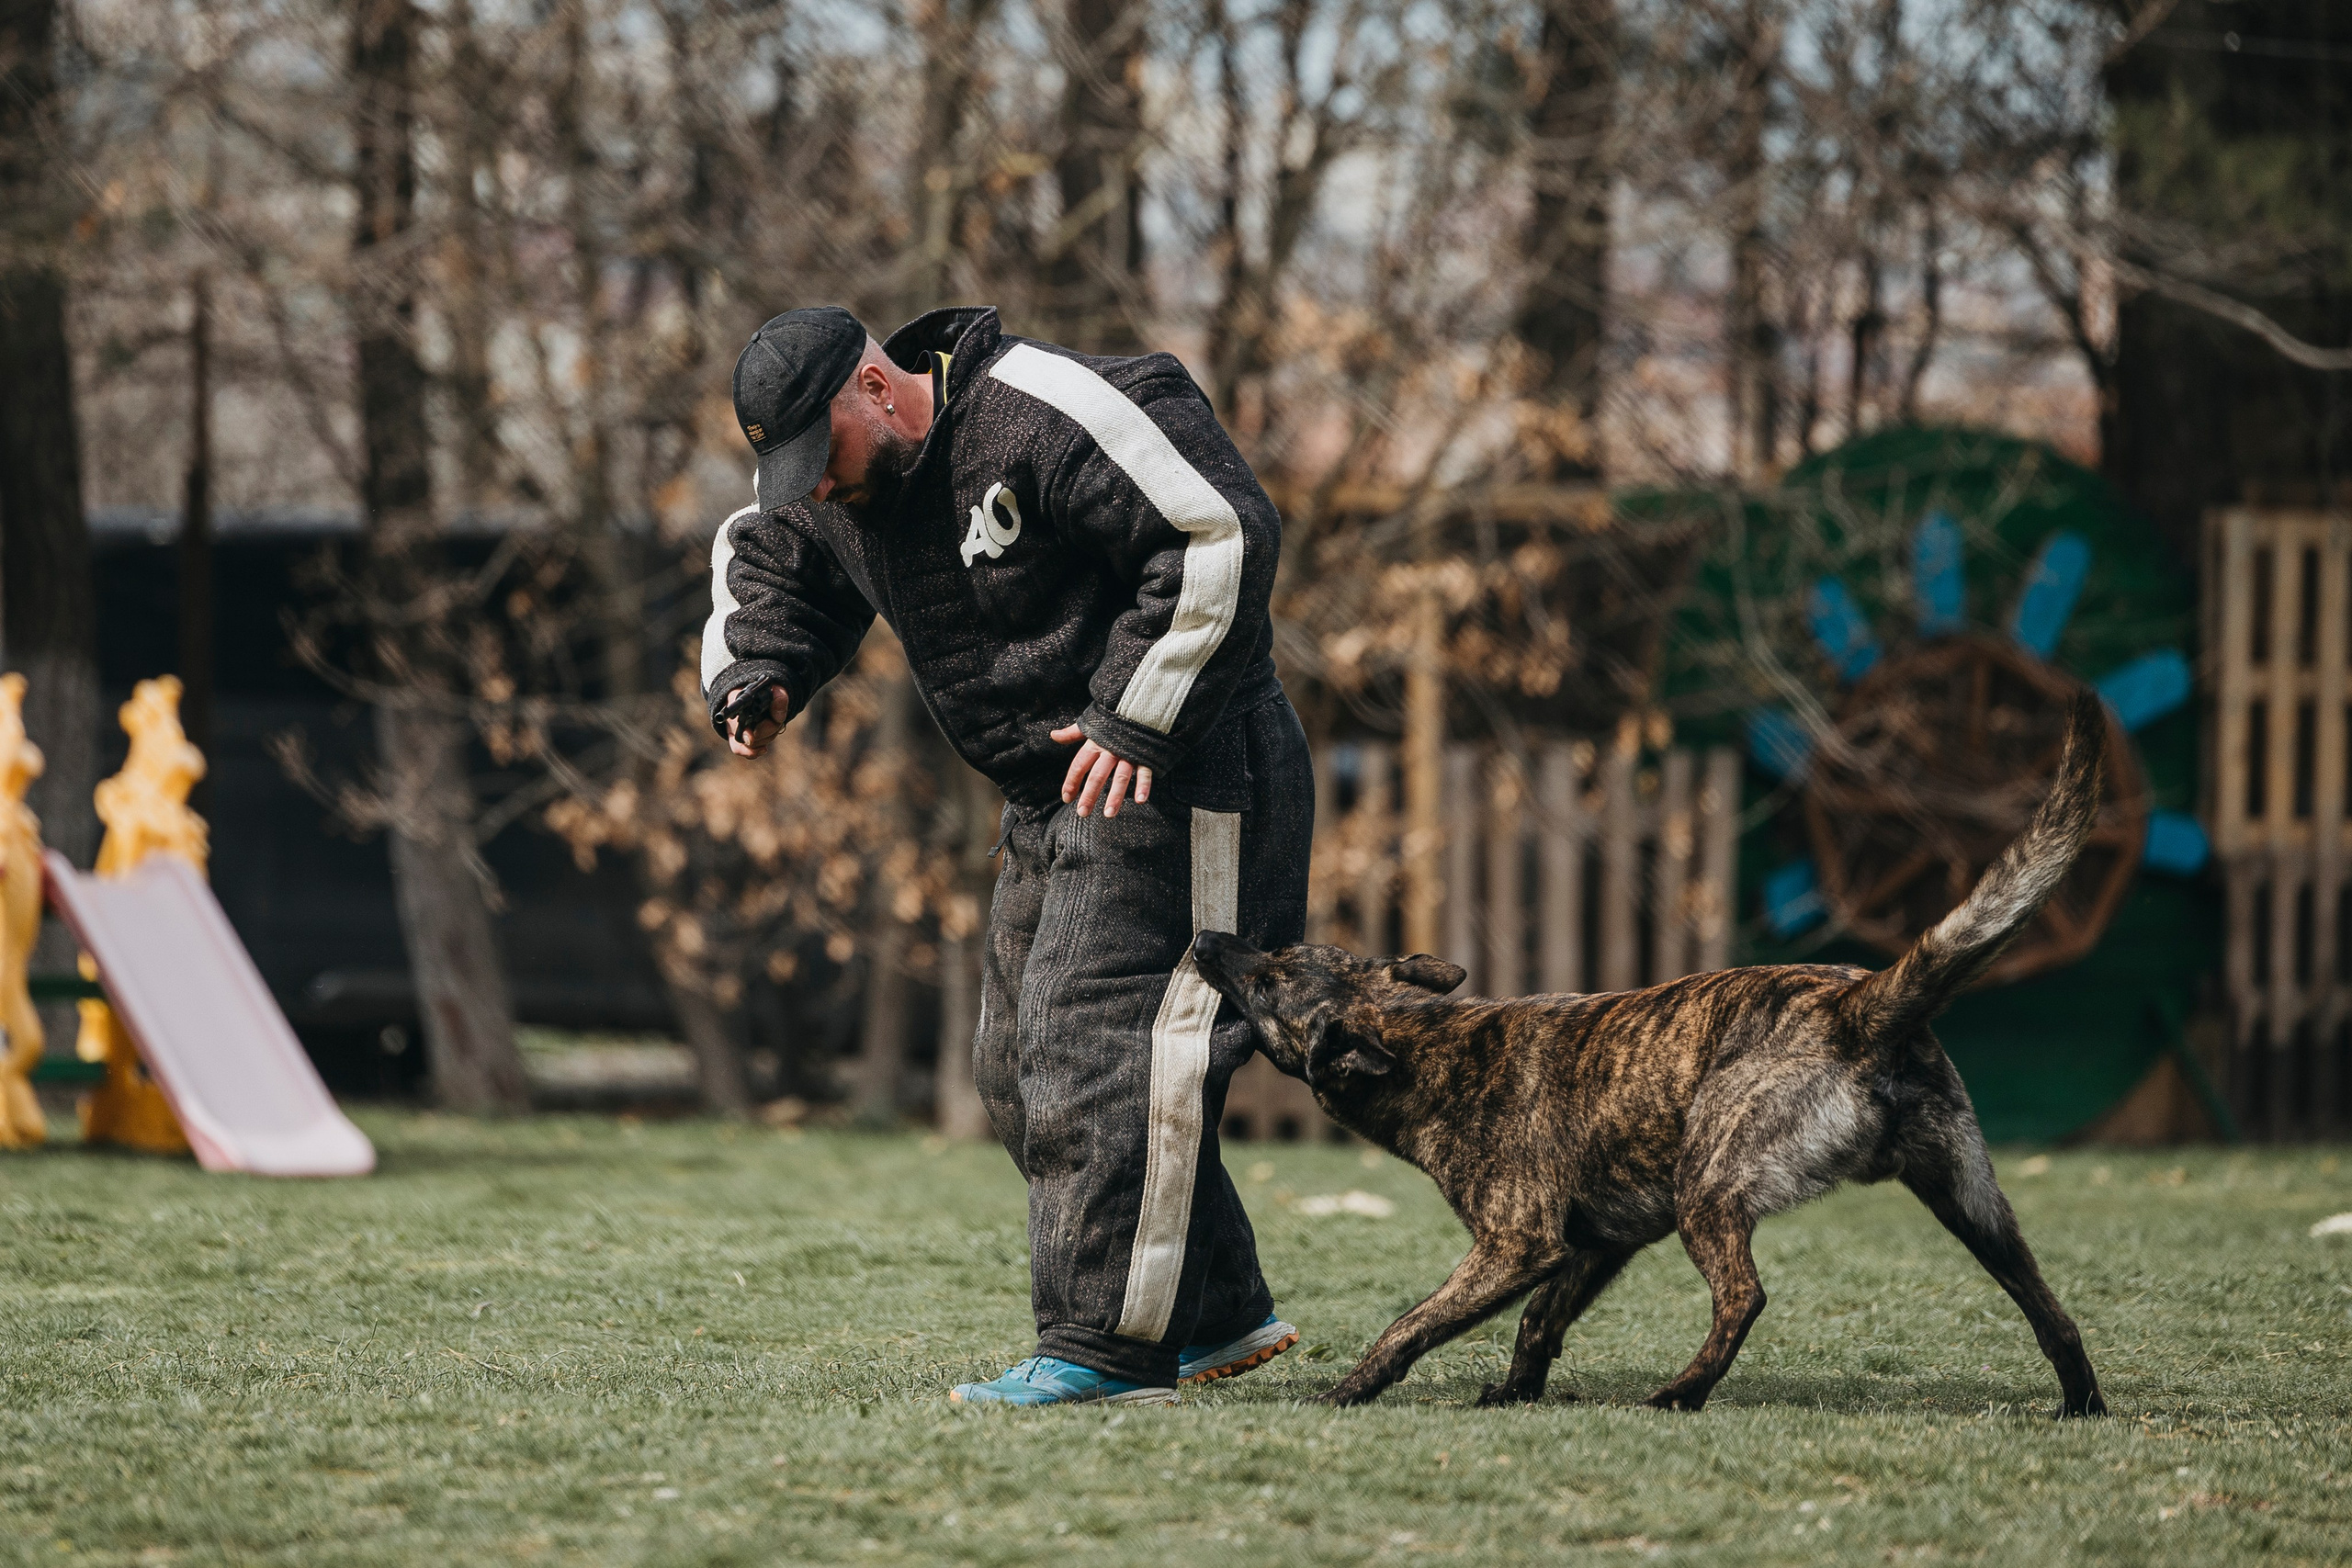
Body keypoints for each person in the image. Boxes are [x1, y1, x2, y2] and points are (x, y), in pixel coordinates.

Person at [705, 304, 1313, 1405]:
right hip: (1050, 794)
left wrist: (1134, 715)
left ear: (876, 389)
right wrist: (760, 670)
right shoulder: (838, 489)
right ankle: (1216, 1312)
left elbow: (1219, 531)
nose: (818, 487)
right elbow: (767, 556)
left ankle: (1104, 1350)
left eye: (822, 457)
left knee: (1096, 1047)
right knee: (1017, 1065)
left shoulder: (1047, 412)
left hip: (1186, 767)